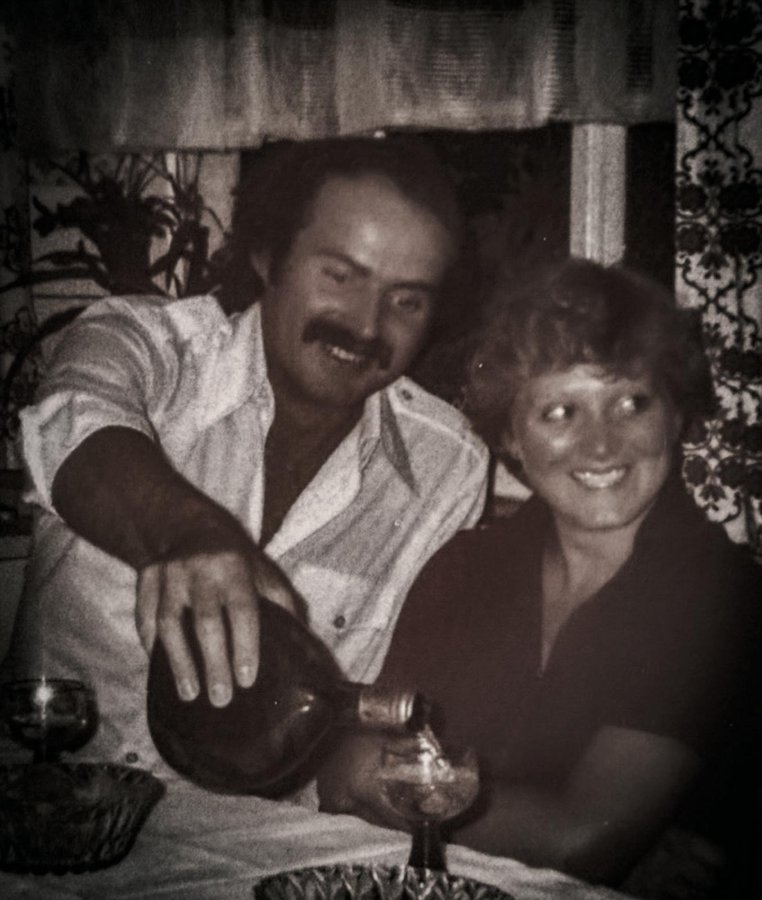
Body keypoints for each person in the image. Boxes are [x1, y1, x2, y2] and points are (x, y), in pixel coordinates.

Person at [8, 136, 489, 776]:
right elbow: (73, 425)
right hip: (51, 796)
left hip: (255, 825)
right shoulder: (142, 344)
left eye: (408, 300)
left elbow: (368, 709)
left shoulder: (448, 467)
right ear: (267, 255)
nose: (368, 325)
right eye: (340, 276)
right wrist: (184, 532)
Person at [318, 259, 762, 898]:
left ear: (675, 416)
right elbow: (343, 772)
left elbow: (580, 841)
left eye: (631, 403)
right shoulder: (464, 567)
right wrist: (548, 834)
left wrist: (394, 793)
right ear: (511, 438)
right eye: (559, 412)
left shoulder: (716, 594)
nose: (601, 444)